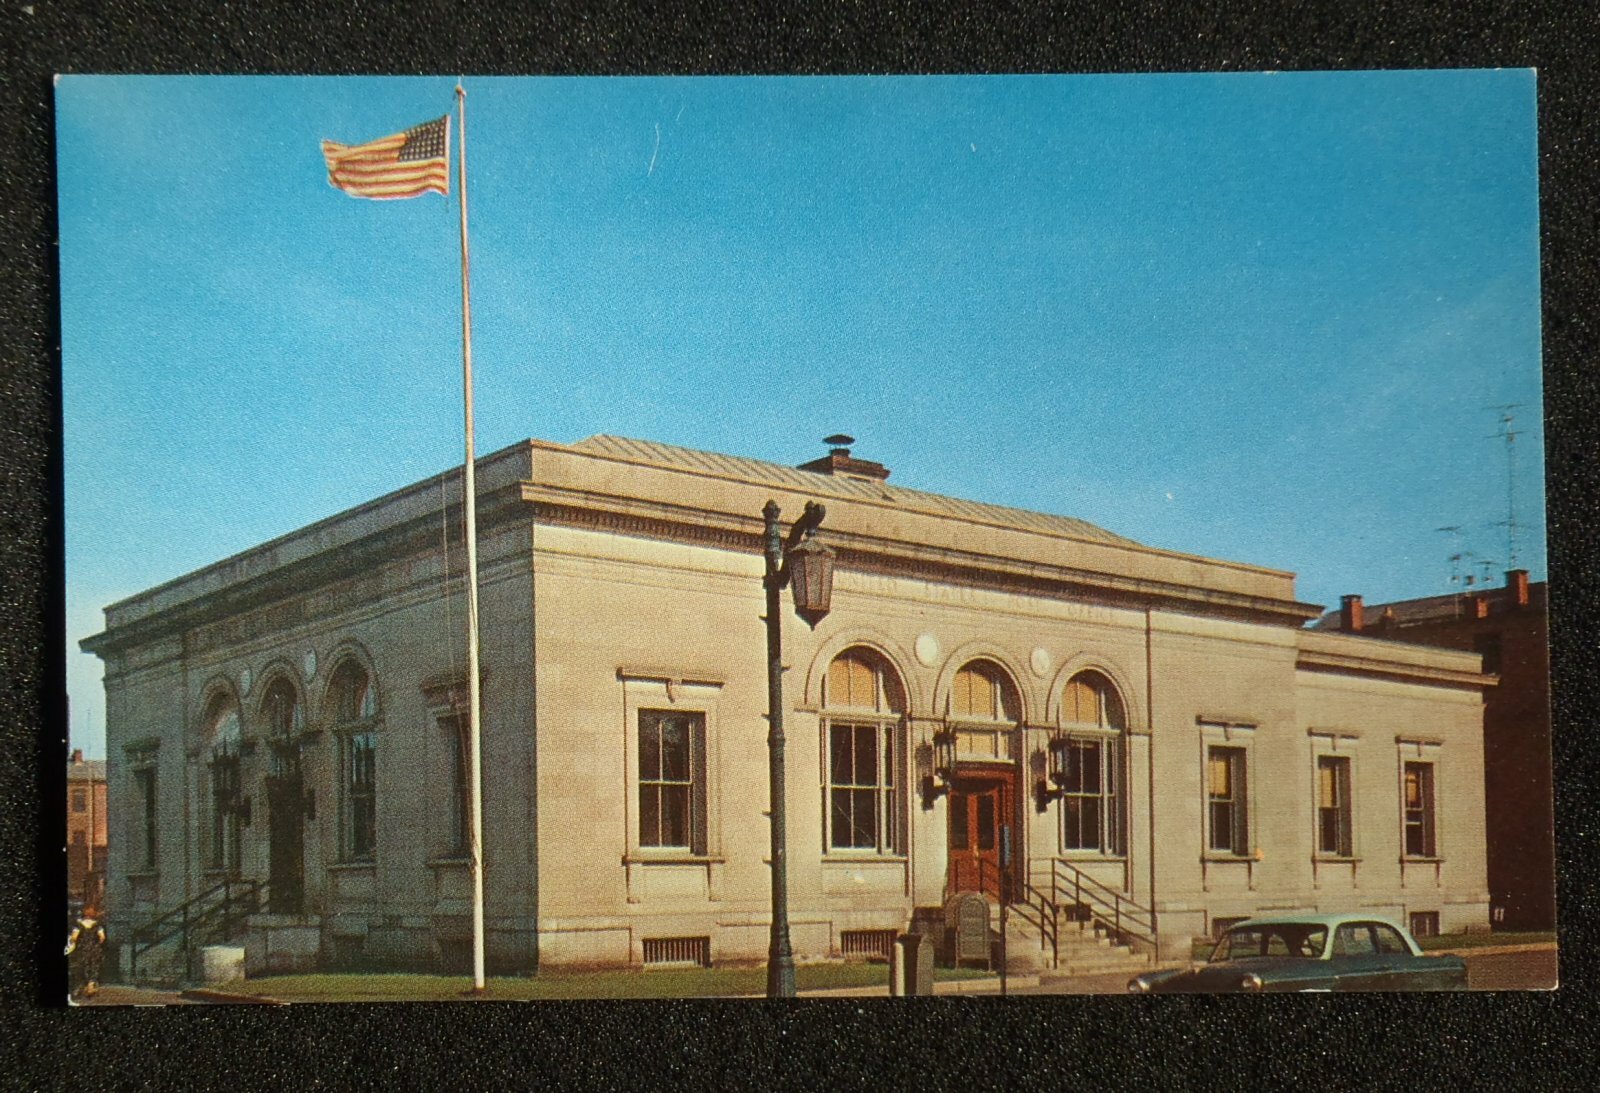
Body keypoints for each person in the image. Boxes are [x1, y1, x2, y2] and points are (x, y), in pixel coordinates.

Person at [65, 904, 106, 1004]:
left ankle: (82, 988)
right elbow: (102, 937)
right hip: (95, 950)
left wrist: (73, 942)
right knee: (94, 968)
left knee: (82, 967)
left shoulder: (79, 925)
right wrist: (96, 943)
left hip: (82, 949)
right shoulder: (98, 925)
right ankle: (91, 986)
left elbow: (74, 937)